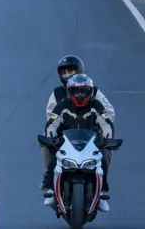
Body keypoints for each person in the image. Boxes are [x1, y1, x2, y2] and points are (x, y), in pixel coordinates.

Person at [43, 74, 115, 210]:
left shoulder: (96, 105)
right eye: (76, 91)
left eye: (84, 91)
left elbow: (106, 123)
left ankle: (102, 194)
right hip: (66, 143)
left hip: (91, 144)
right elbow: (52, 122)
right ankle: (51, 190)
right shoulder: (63, 104)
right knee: (53, 161)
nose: (80, 95)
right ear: (70, 91)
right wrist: (51, 136)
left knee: (103, 163)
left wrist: (107, 138)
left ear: (90, 91)